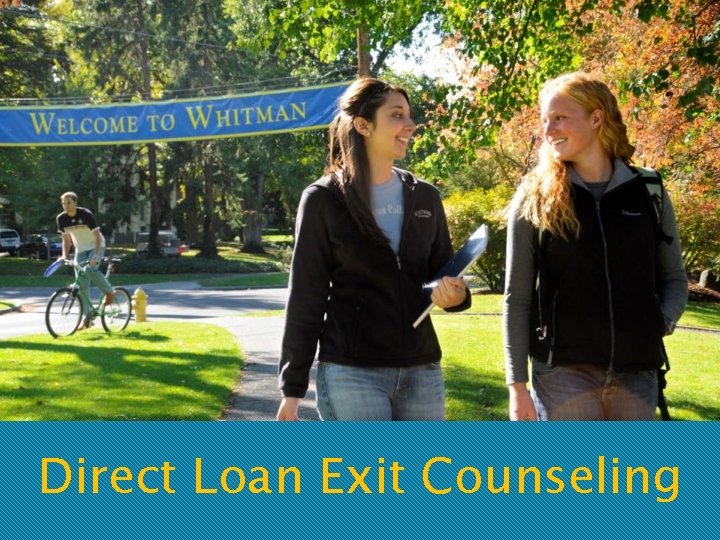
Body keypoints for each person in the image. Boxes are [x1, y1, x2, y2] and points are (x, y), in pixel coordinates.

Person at [277, 77, 471, 421]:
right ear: (363, 126)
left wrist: (456, 296)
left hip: (422, 369)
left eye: (408, 115)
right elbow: (306, 297)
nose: (410, 124)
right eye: (396, 115)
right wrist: (292, 390)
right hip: (351, 373)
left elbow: (443, 273)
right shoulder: (323, 199)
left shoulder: (425, 196)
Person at [503, 72, 688, 421]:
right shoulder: (534, 195)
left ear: (597, 118)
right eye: (545, 119)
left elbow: (674, 277)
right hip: (562, 375)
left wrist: (661, 322)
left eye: (559, 117)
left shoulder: (648, 189)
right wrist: (517, 386)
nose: (548, 129)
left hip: (637, 372)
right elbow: (518, 297)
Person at [56, 191, 115, 328]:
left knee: (89, 269)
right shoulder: (61, 218)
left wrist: (96, 256)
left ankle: (109, 292)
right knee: (81, 285)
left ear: (75, 202)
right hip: (80, 250)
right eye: (63, 203)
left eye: (69, 202)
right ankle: (87, 319)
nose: (66, 206)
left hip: (96, 246)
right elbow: (66, 239)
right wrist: (64, 255)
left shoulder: (86, 214)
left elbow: (97, 236)